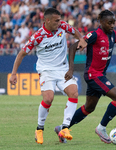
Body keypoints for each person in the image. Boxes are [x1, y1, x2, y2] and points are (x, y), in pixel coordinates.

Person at [59, 10, 116, 144]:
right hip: (93, 75)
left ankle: (63, 128)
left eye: (113, 22)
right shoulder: (94, 35)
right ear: (101, 22)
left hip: (99, 75)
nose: (112, 25)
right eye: (109, 23)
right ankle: (101, 128)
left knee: (89, 108)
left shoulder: (113, 35)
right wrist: (71, 68)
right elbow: (73, 47)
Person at [9, 8, 87, 144]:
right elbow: (21, 54)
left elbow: (74, 31)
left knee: (74, 93)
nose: (60, 22)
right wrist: (14, 73)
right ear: (47, 20)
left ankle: (65, 128)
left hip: (62, 69)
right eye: (56, 20)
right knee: (49, 98)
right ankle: (39, 129)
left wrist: (80, 39)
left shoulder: (62, 26)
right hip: (46, 70)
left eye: (60, 19)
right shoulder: (38, 36)